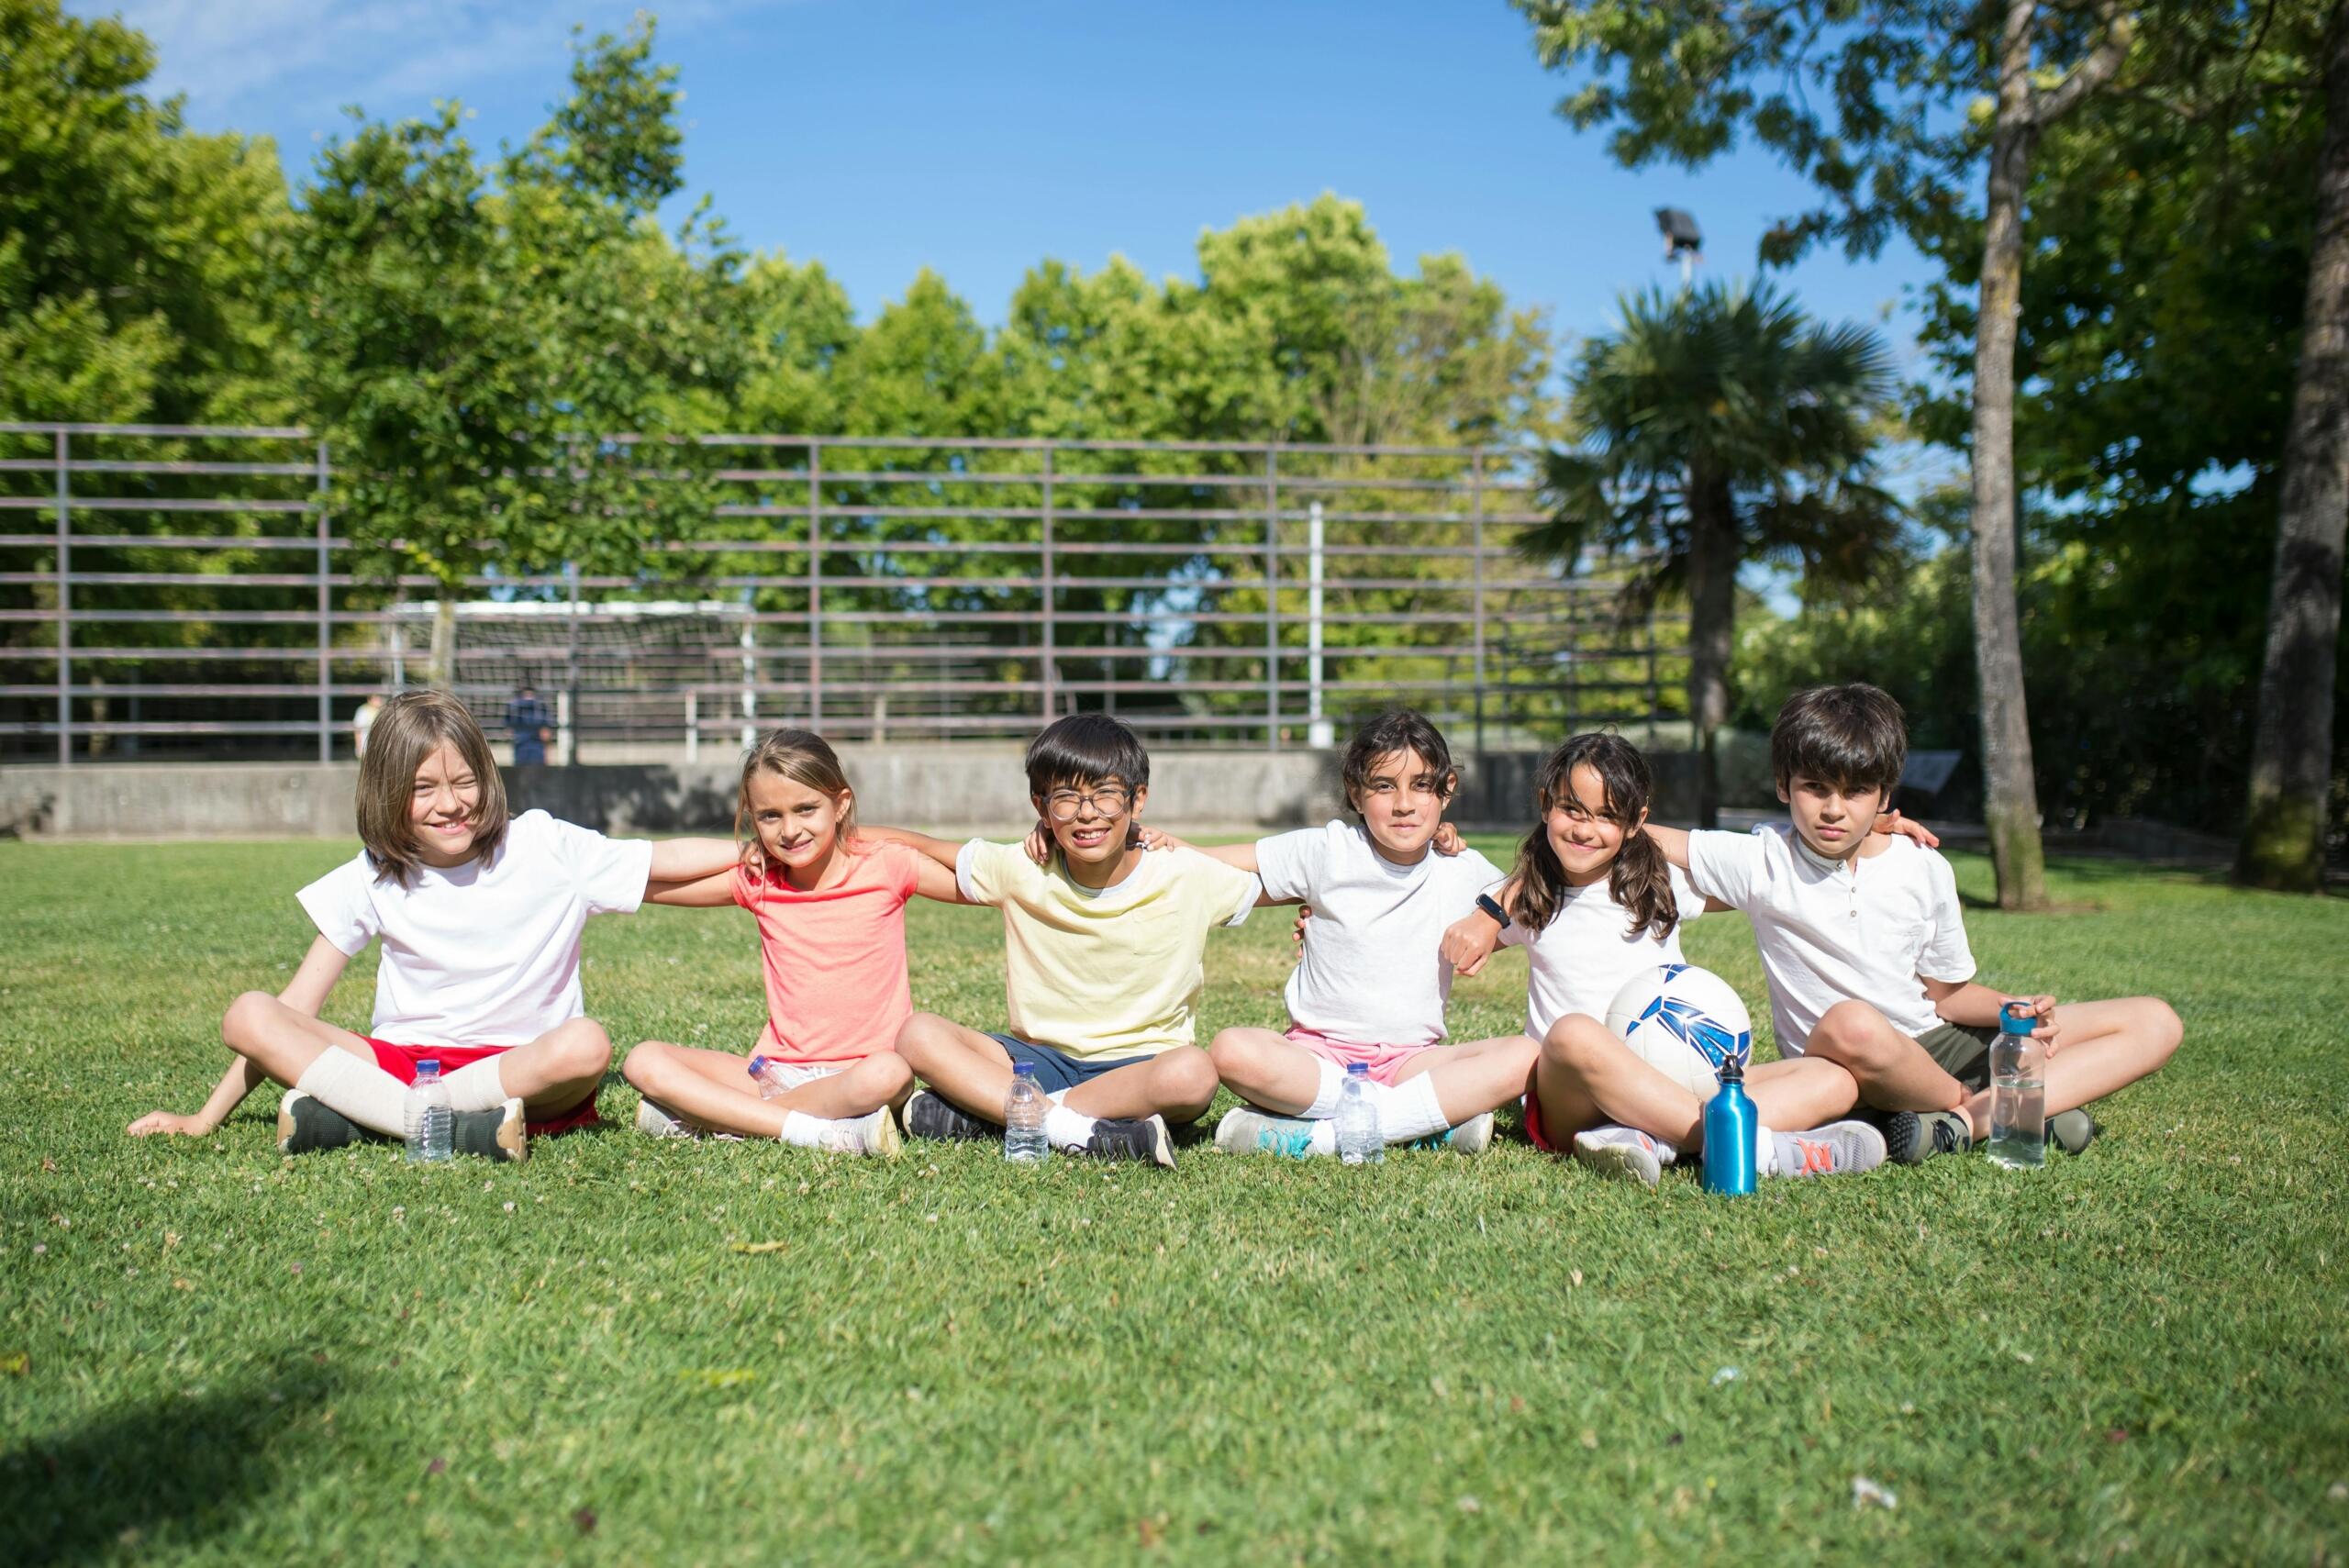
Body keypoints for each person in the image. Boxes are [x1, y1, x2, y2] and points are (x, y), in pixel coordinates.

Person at [124, 690, 738, 1159]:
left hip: (524, 1069)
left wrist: (766, 848)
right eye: (423, 788)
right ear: (387, 793)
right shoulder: (373, 872)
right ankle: (454, 1127)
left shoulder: (545, 844)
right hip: (404, 1063)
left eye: (464, 780)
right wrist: (204, 1117)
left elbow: (664, 858)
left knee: (588, 1045)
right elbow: (292, 1008)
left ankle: (375, 1117)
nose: (450, 803)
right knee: (248, 1013)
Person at [1653, 683, 2182, 1163]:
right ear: (1784, 786)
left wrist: (2010, 1009)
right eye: (1815, 787)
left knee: (2154, 1020)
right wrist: (1581, 805)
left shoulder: (1923, 865)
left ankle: (1962, 1123)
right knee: (1852, 1023)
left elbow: (1947, 996)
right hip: (1844, 1063)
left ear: (1884, 796)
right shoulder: (1762, 859)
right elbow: (1648, 836)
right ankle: (1989, 1114)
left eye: (1856, 791)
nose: (1834, 809)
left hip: (1935, 1041)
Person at [1442, 731, 1901, 1187]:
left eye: (1607, 815)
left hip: (1677, 1080)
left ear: (1637, 820)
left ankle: (1653, 1138)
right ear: (1546, 804)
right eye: (1572, 810)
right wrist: (1470, 891)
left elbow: (1767, 870)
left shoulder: (1661, 881)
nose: (1585, 829)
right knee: (1571, 1034)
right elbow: (1455, 914)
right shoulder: (1528, 895)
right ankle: (1750, 1147)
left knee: (1834, 1079)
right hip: (1572, 1098)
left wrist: (1870, 840)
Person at [874, 714, 1260, 1167]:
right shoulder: (1022, 866)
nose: (1087, 813)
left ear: (1138, 801)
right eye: (1066, 799)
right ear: (1041, 807)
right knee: (918, 1034)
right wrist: (785, 845)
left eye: (1106, 796)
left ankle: (995, 1114)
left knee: (1193, 1075)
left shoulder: (1185, 874)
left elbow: (1292, 876)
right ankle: (1075, 1128)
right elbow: (913, 846)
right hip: (1039, 1060)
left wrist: (1314, 913)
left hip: (1141, 1070)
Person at [1192, 711, 1538, 1158]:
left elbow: (1539, 893)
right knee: (1232, 1050)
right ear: (1355, 792)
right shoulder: (1327, 849)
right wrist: (1155, 843)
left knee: (1525, 1056)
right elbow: (1212, 861)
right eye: (1383, 786)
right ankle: (1422, 1124)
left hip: (1412, 1061)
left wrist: (1487, 917)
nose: (1404, 804)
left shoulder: (1464, 870)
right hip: (1316, 1058)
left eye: (1421, 785)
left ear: (1446, 790)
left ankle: (1315, 1137)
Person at [620, 728, 971, 1156]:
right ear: (752, 817)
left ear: (841, 805)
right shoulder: (760, 879)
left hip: (860, 1074)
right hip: (775, 1073)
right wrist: (740, 851)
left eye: (806, 809)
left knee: (892, 1074)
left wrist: (906, 838)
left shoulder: (888, 864)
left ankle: (724, 1118)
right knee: (643, 1059)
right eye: (770, 816)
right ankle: (812, 1129)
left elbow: (981, 879)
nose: (790, 830)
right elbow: (644, 880)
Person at [507, 684, 551, 766]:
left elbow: (546, 733)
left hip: (536, 745)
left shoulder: (539, 706)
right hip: (521, 744)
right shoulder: (515, 707)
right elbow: (509, 730)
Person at [352, 692, 384, 759]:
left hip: (379, 748)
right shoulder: (363, 711)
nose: (379, 701)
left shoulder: (382, 710)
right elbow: (358, 730)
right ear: (369, 700)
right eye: (376, 699)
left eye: (379, 698)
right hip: (366, 747)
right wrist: (359, 746)